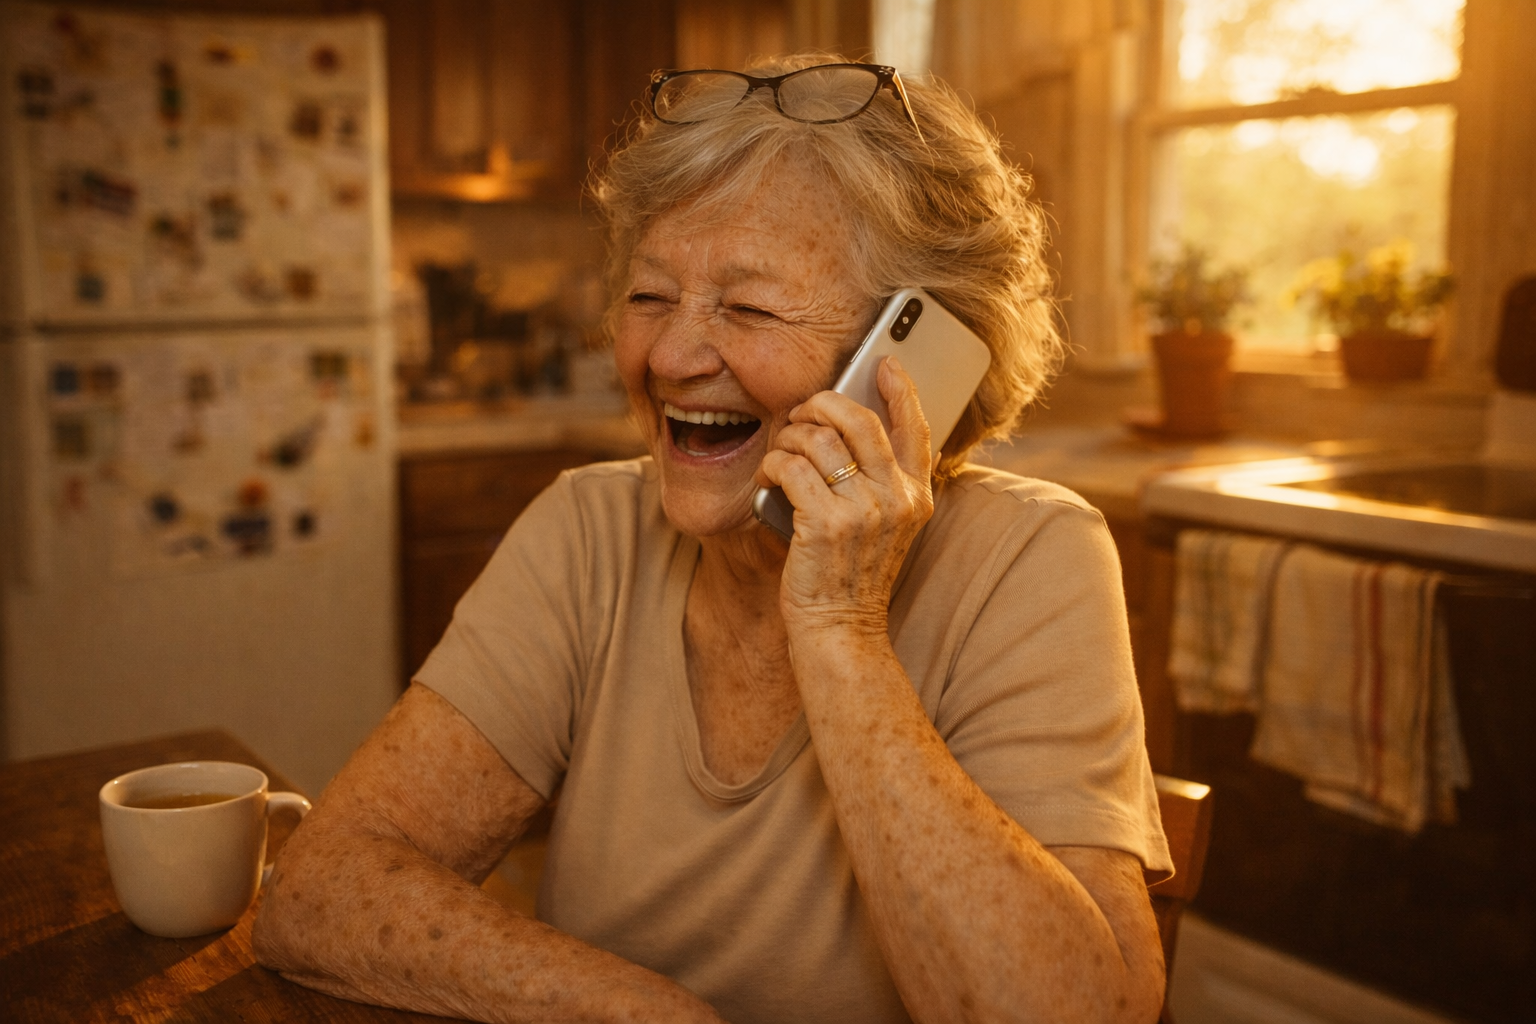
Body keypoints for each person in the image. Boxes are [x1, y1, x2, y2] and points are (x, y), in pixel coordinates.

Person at [254, 55, 1173, 1024]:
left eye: (747, 307)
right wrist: (647, 1011)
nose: (671, 357)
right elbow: (319, 886)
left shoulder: (1033, 561)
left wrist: (841, 628)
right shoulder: (588, 531)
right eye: (650, 297)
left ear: (905, 362)